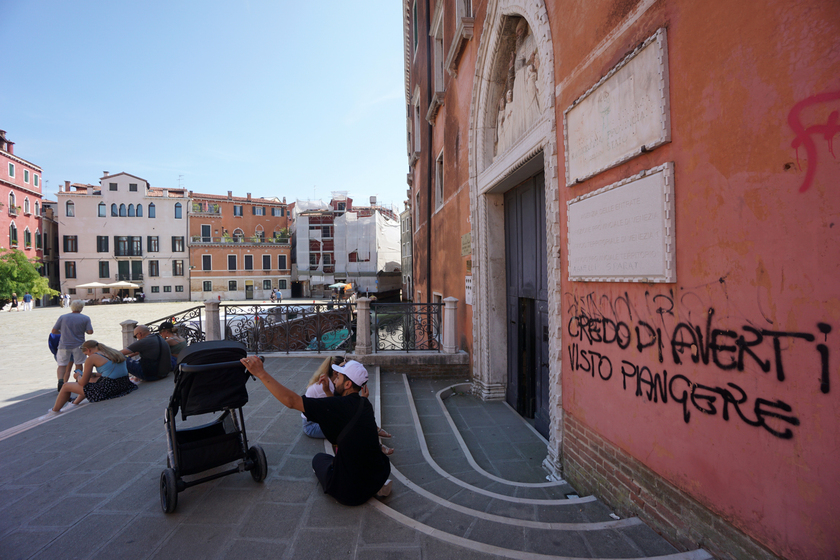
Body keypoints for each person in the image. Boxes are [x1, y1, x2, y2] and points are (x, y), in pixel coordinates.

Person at [242, 357, 392, 505]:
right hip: (378, 474)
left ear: (347, 384)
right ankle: (378, 487)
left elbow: (291, 401)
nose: (334, 380)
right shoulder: (364, 404)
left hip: (351, 493)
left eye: (338, 377)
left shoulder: (337, 407)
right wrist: (327, 391)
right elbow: (339, 411)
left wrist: (261, 373)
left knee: (318, 459)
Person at [46, 340, 137, 416]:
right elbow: (109, 372)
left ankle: (54, 411)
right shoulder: (114, 352)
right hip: (124, 384)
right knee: (91, 379)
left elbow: (82, 383)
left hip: (109, 389)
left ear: (88, 350)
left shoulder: (92, 358)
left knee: (66, 386)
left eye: (86, 354)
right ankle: (74, 403)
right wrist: (93, 375)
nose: (87, 356)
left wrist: (78, 376)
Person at [51, 300, 93, 391]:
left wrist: (62, 333)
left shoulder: (63, 317)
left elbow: (53, 331)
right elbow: (90, 332)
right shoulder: (85, 318)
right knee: (78, 363)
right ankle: (78, 381)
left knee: (62, 365)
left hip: (64, 345)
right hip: (79, 345)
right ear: (82, 308)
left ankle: (61, 381)